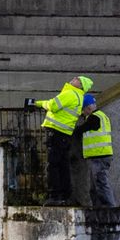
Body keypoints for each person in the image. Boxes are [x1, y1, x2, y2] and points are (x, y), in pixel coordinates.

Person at [31, 75, 92, 204]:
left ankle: (54, 195)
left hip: (57, 133)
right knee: (62, 165)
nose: (75, 78)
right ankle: (65, 195)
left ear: (81, 86)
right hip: (65, 135)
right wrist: (38, 103)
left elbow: (53, 105)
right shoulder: (77, 96)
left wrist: (37, 103)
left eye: (78, 79)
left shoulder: (70, 93)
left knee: (53, 165)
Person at [75, 93, 115, 207]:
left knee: (101, 183)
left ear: (88, 108)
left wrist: (72, 130)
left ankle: (109, 208)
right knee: (95, 186)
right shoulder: (102, 116)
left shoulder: (94, 117)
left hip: (99, 156)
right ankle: (98, 208)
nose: (82, 113)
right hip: (100, 156)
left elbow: (82, 129)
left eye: (83, 110)